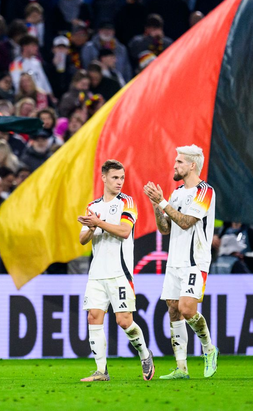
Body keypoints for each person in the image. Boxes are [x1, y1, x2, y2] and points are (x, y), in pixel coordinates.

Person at [144, 145, 218, 379]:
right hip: (174, 261)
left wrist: (163, 202)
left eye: (179, 162)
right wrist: (157, 206)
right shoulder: (176, 193)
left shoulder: (205, 191)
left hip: (195, 260)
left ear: (192, 165)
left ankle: (209, 348)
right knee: (174, 310)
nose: (174, 166)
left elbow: (186, 222)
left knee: (187, 309)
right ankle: (181, 367)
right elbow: (165, 229)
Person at [78, 159, 154, 382]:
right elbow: (83, 239)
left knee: (123, 321)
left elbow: (124, 231)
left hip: (119, 272)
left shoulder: (127, 202)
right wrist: (91, 226)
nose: (120, 182)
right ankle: (101, 371)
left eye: (122, 177)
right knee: (93, 317)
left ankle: (144, 353)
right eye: (115, 177)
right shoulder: (93, 207)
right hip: (97, 273)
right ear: (103, 178)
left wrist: (98, 224)